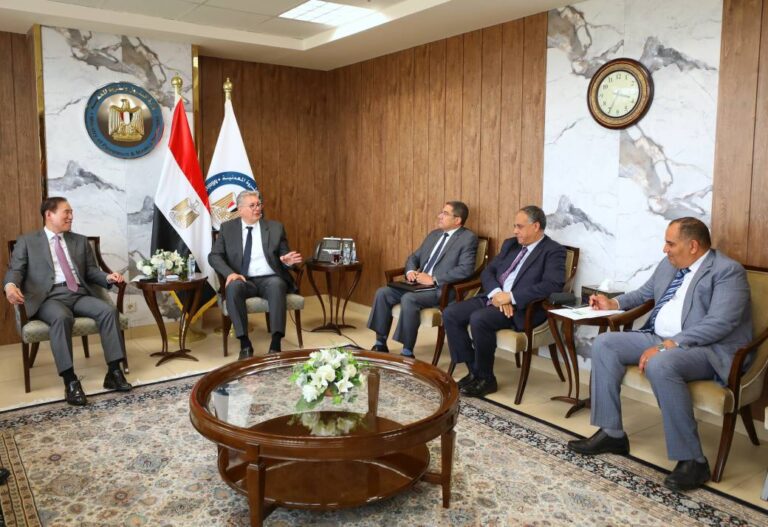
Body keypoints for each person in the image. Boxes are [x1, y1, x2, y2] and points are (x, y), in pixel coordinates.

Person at [568, 217, 752, 492]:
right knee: (605, 344)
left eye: (670, 243)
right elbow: (644, 293)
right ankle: (612, 434)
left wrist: (668, 345)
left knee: (660, 364)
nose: (665, 249)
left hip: (705, 348)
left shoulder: (727, 271)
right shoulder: (670, 264)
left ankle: (693, 460)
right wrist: (613, 303)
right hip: (658, 337)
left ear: (693, 246)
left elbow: (720, 323)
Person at [4, 197, 131, 406]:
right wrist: (10, 286)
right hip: (48, 298)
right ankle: (70, 380)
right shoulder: (27, 242)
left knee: (108, 311)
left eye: (71, 212)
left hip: (78, 294)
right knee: (62, 318)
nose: (71, 216)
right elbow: (15, 270)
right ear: (49, 214)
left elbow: (91, 271)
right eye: (67, 212)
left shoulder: (79, 241)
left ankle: (114, 371)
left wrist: (108, 278)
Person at [442, 205, 566, 397]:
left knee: (479, 319)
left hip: (522, 308)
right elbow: (488, 272)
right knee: (451, 313)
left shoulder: (553, 251)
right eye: (514, 226)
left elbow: (552, 285)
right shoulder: (511, 244)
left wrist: (510, 297)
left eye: (519, 226)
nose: (515, 231)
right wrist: (498, 293)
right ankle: (474, 371)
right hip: (494, 296)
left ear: (535, 226)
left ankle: (486, 379)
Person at [367, 201, 478, 357]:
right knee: (382, 293)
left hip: (441, 289)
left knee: (409, 299)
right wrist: (411, 271)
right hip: (418, 284)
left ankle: (407, 351)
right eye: (441, 212)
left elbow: (465, 269)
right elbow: (414, 257)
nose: (439, 216)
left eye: (445, 213)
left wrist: (434, 279)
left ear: (457, 220)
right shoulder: (434, 234)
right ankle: (380, 343)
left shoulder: (468, 238)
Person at [209, 190, 302, 360]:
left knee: (277, 284)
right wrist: (230, 274)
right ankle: (245, 344)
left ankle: (276, 344)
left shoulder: (275, 228)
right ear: (240, 209)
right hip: (243, 279)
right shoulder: (227, 229)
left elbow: (284, 255)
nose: (257, 208)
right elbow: (214, 256)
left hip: (270, 278)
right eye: (252, 205)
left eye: (258, 204)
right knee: (233, 287)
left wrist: (287, 261)